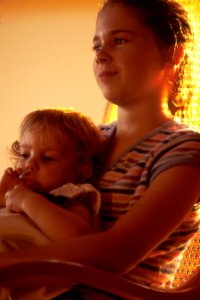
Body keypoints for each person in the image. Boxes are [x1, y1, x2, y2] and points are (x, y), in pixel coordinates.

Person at [0, 0, 200, 298]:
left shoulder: (185, 148)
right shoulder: (81, 139)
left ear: (172, 54)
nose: (101, 55)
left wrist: (8, 265)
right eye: (96, 46)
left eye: (119, 40)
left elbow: (117, 252)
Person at [0, 108, 102, 249]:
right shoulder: (21, 192)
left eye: (47, 158)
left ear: (81, 171)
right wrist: (3, 196)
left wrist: (26, 200)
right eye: (24, 155)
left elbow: (78, 236)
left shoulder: (72, 195)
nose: (29, 164)